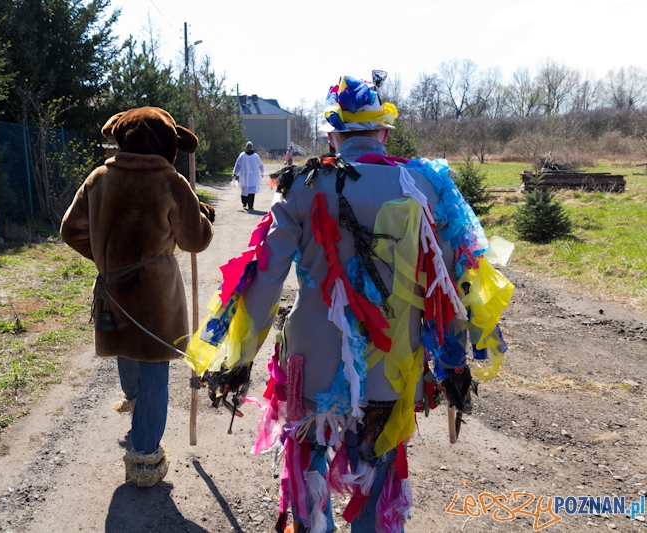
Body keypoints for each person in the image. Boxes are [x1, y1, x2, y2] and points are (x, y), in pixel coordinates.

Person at [185, 75, 513, 532]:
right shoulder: (426, 185)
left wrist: (236, 357)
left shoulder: (302, 185)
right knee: (378, 470)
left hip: (313, 362)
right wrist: (460, 357)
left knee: (308, 464)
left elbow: (264, 279)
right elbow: (461, 279)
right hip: (393, 363)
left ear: (333, 135)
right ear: (383, 133)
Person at [61, 106, 214, 488]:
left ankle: (133, 399)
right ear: (169, 143)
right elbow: (195, 240)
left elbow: (70, 230)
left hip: (112, 287)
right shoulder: (171, 181)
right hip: (157, 296)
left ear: (121, 136)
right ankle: (144, 459)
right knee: (154, 370)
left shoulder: (98, 178)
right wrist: (202, 214)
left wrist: (106, 258)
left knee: (125, 346)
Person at [232, 141, 264, 210]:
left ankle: (245, 203)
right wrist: (262, 172)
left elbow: (238, 165)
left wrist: (235, 173)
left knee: (244, 190)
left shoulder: (242, 155)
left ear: (246, 147)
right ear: (252, 147)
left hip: (245, 176)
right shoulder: (255, 156)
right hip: (253, 177)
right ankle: (250, 205)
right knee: (251, 192)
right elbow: (260, 165)